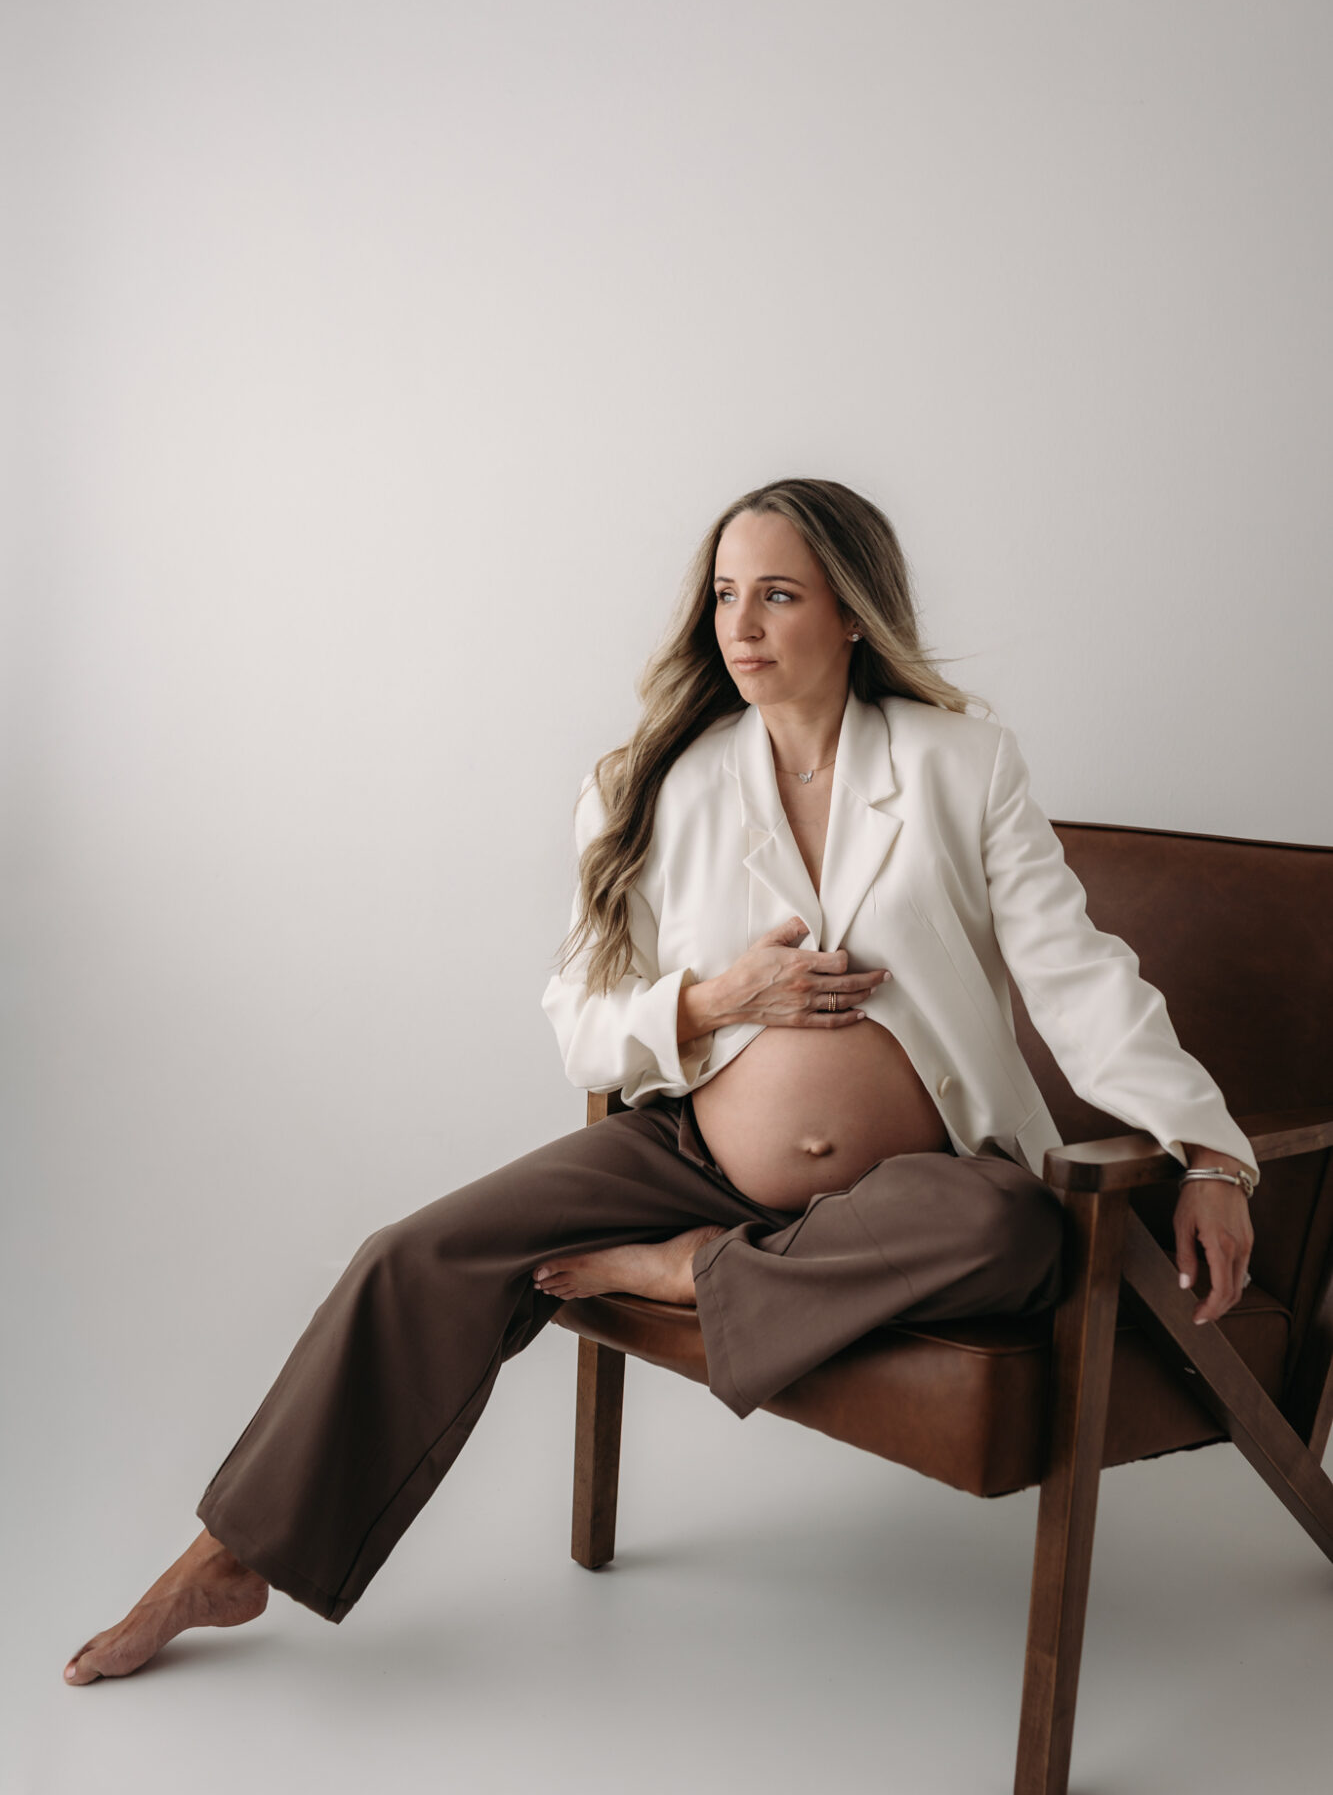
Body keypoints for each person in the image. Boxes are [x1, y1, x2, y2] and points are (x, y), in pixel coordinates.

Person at [63, 477, 1259, 1685]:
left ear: (851, 613)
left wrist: (1206, 1151)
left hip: (921, 1183)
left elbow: (1077, 977)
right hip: (687, 1153)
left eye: (777, 594)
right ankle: (224, 1556)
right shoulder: (655, 782)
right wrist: (713, 1001)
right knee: (409, 1252)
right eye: (726, 595)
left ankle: (693, 1270)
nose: (739, 625)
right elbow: (580, 1023)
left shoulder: (963, 764)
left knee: (1011, 1222)